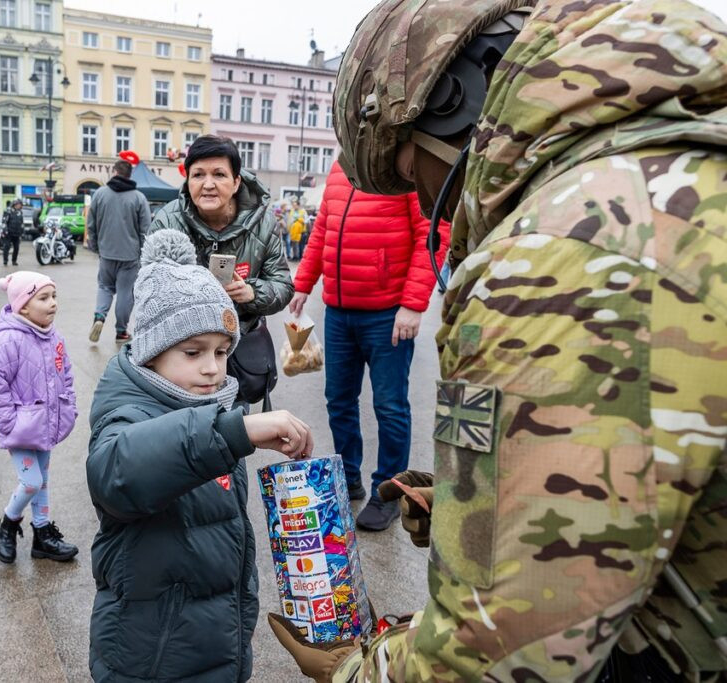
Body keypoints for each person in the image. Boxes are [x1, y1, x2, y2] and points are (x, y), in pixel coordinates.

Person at [271, 0, 727, 680]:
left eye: (407, 173)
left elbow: (497, 657)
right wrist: (481, 498)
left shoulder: (565, 246)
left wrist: (359, 668)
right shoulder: (680, 165)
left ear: (449, 105)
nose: (427, 204)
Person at [87, 229, 314, 682]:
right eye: (193, 352)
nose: (212, 368)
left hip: (213, 640)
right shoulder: (129, 409)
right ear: (151, 351)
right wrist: (232, 431)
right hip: (150, 656)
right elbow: (117, 474)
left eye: (222, 351)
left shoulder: (208, 407)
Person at [289, 160, 448, 530]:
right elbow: (323, 231)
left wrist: (412, 303)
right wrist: (304, 282)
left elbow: (432, 232)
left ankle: (389, 491)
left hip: (388, 313)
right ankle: (349, 478)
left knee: (390, 406)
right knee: (338, 400)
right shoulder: (340, 168)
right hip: (340, 312)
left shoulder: (405, 167)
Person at [150, 135, 293, 404]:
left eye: (219, 174)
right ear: (187, 180)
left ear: (236, 181)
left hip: (238, 352)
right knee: (185, 436)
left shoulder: (264, 224)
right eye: (198, 175)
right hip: (181, 353)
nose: (208, 185)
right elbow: (147, 292)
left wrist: (251, 292)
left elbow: (283, 286)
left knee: (233, 434)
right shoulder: (167, 220)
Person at [0, 272, 79, 565]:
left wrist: (67, 405)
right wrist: (10, 424)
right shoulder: (7, 340)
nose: (53, 304)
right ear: (23, 305)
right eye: (43, 298)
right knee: (31, 481)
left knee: (43, 481)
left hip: (45, 424)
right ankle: (8, 524)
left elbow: (66, 373)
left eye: (54, 297)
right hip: (21, 428)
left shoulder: (53, 336)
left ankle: (43, 535)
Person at [86, 159, 151, 344]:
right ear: (130, 175)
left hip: (106, 252)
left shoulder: (99, 194)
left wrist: (97, 246)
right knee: (125, 293)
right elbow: (145, 230)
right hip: (130, 255)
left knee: (105, 287)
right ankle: (121, 331)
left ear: (114, 172)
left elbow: (91, 224)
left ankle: (99, 317)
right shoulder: (139, 198)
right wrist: (142, 254)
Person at [1, 198, 24, 266]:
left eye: (20, 204)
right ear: (14, 204)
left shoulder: (20, 212)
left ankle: (14, 261)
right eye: (18, 204)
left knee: (16, 248)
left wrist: (22, 232)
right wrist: (5, 230)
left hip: (17, 234)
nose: (20, 206)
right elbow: (4, 222)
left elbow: (22, 223)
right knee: (6, 247)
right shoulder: (8, 211)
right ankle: (5, 261)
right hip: (9, 233)